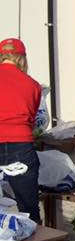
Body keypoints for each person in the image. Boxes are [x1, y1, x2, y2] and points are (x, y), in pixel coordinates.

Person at [0, 38, 42, 222]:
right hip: (21, 146)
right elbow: (31, 119)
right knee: (28, 206)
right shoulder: (32, 85)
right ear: (22, 59)